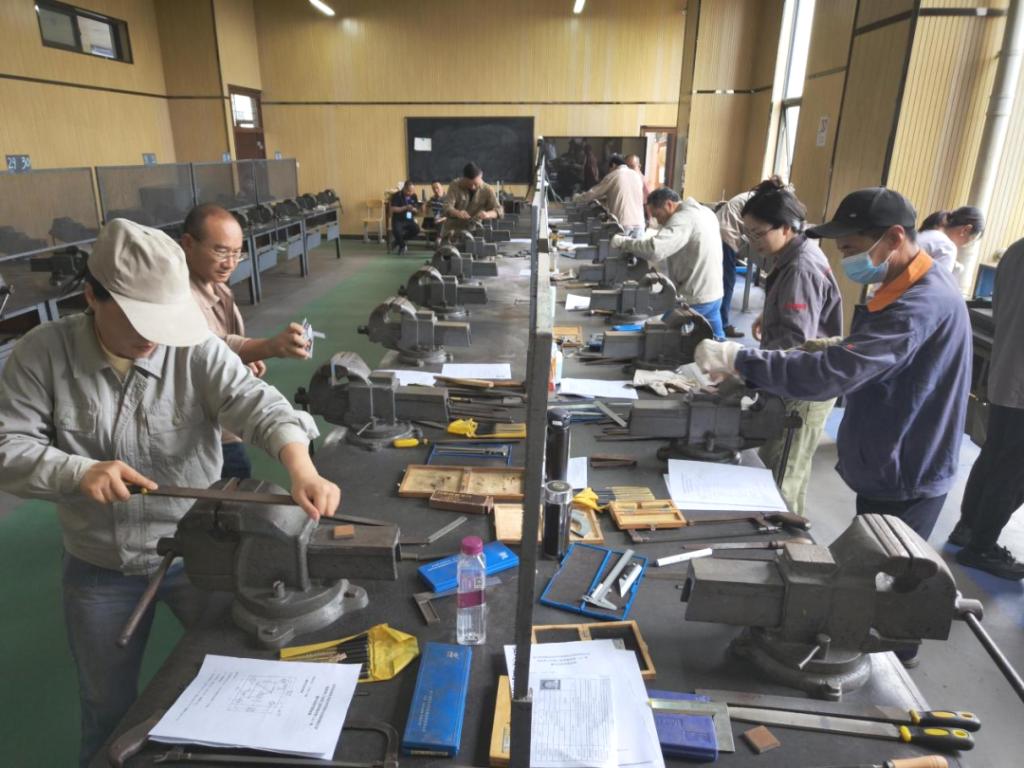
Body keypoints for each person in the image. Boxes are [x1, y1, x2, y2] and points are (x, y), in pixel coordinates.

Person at [0, 218, 341, 766]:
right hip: (100, 565)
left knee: (239, 681)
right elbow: (7, 444)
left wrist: (300, 467)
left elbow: (257, 404)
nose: (152, 337)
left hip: (199, 554)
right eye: (138, 320)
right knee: (106, 708)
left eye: (163, 319)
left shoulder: (195, 348)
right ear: (91, 296)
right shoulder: (43, 354)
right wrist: (76, 472)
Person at [696, 188, 971, 543]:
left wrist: (739, 359)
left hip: (908, 465)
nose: (845, 260)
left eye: (851, 249)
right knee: (874, 553)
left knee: (887, 567)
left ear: (894, 238)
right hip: (888, 450)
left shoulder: (920, 304)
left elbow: (834, 372)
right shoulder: (904, 285)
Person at [181, 203, 314, 479]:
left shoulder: (218, 287)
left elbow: (226, 347)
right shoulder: (178, 298)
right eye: (221, 251)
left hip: (225, 416)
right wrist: (268, 346)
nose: (230, 263)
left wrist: (245, 357)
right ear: (188, 244)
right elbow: (204, 349)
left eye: (236, 253)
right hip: (196, 430)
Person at [741, 178, 843, 516]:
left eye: (758, 234)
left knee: (782, 480)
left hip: (802, 393)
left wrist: (742, 366)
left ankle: (784, 540)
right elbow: (799, 313)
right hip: (790, 382)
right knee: (778, 466)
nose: (753, 242)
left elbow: (795, 342)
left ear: (786, 227)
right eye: (748, 234)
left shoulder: (800, 267)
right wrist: (770, 314)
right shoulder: (792, 253)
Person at [948, 237, 1024, 579]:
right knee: (1013, 470)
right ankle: (981, 547)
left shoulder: (1017, 249)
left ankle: (968, 528)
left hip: (1008, 371)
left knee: (995, 456)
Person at [611, 187, 726, 338]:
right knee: (717, 339)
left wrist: (623, 242)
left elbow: (655, 249)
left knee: (660, 337)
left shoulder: (683, 219)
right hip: (714, 291)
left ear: (669, 205)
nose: (658, 221)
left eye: (657, 215)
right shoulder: (705, 212)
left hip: (696, 295)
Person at [716, 187, 756, 338]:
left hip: (718, 230)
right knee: (727, 280)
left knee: (719, 278)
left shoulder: (748, 195)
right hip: (726, 234)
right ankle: (723, 324)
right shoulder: (758, 200)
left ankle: (716, 321)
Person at [574, 153, 646, 237]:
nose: (608, 172)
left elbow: (593, 193)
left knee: (616, 245)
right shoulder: (637, 176)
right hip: (640, 225)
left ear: (613, 165)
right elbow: (623, 193)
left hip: (623, 226)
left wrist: (577, 198)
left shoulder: (613, 175)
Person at [441, 162, 503, 240]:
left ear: (481, 176)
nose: (473, 187)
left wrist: (488, 214)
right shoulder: (455, 185)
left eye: (476, 184)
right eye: (469, 184)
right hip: (452, 231)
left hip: (474, 232)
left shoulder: (487, 190)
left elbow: (499, 211)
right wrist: (457, 213)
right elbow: (446, 207)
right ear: (464, 178)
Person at [917, 206, 985, 273]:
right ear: (965, 230)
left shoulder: (930, 232)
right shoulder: (948, 247)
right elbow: (939, 280)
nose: (966, 246)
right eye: (971, 240)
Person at [389, 180, 422, 254]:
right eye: (409, 191)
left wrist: (415, 209)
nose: (411, 193)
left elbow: (416, 207)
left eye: (412, 191)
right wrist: (405, 207)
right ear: (404, 189)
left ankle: (397, 241)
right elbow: (393, 209)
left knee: (416, 230)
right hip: (398, 219)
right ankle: (402, 245)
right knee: (396, 231)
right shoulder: (397, 195)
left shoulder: (414, 195)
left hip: (409, 218)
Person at [625, 153, 652, 225]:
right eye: (627, 167)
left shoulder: (643, 180)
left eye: (632, 166)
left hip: (640, 218)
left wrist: (650, 220)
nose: (629, 170)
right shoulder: (625, 179)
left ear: (639, 166)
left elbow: (649, 201)